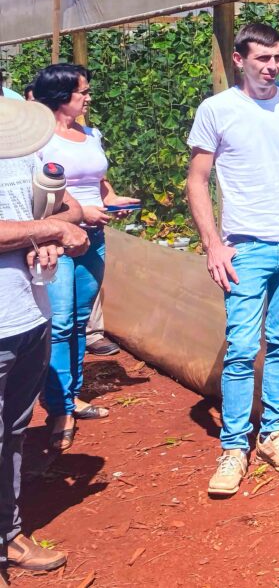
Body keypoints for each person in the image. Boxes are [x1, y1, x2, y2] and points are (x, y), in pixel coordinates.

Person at [186, 22, 279, 497]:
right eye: (262, 59)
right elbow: (197, 179)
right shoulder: (217, 110)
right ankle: (233, 447)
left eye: (276, 58)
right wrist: (213, 244)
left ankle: (272, 433)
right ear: (239, 60)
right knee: (243, 347)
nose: (271, 67)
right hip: (244, 247)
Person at [0, 95, 89, 579]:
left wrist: (47, 234)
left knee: (12, 434)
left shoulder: (22, 146)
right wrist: (45, 228)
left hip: (29, 314)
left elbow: (71, 207)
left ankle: (8, 535)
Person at [32, 64, 140, 451]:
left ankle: (72, 395)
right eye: (83, 92)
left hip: (94, 237)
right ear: (62, 97)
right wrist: (78, 214)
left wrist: (111, 202)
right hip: (56, 239)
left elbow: (99, 184)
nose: (88, 97)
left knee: (78, 319)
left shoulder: (90, 134)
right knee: (59, 322)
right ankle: (58, 408)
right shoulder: (40, 139)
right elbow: (42, 187)